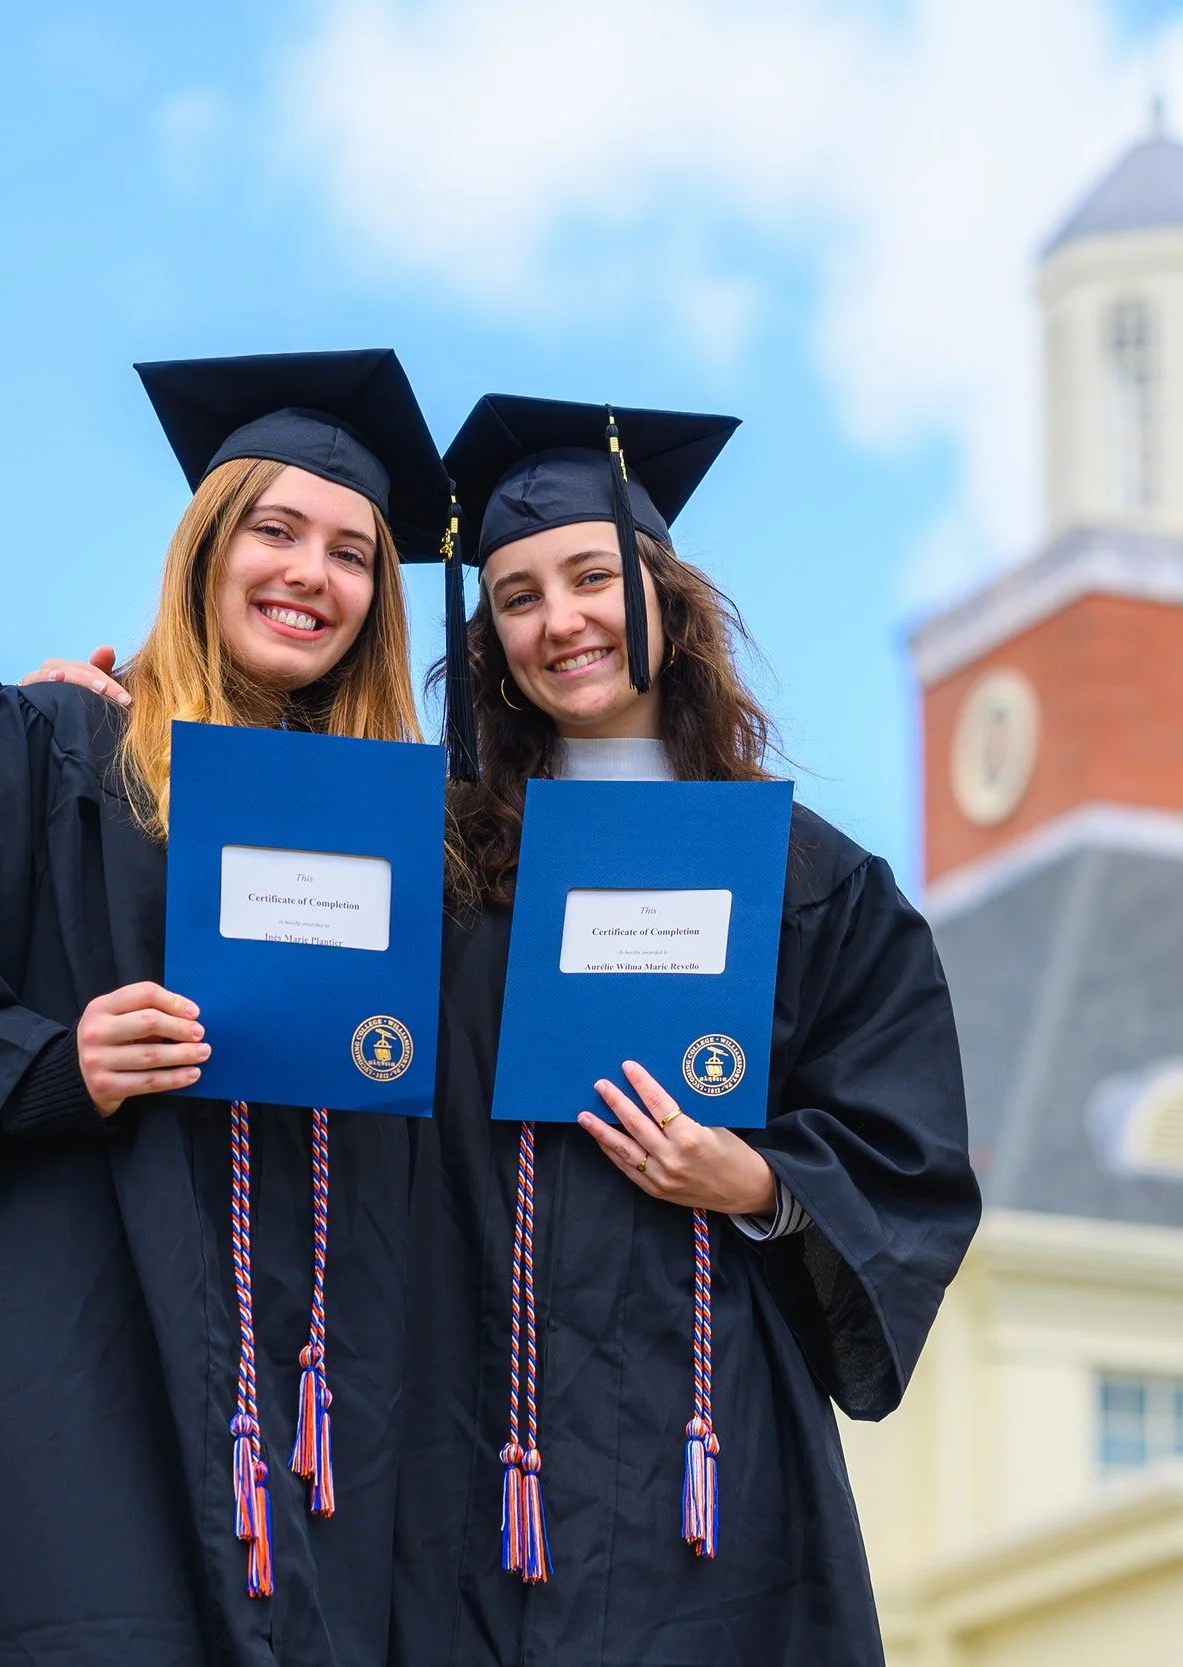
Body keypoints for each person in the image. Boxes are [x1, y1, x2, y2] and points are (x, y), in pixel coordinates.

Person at [0, 349, 452, 1667]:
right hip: (77, 1351)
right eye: (274, 528)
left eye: (350, 553)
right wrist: (55, 1060)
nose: (309, 575)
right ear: (204, 549)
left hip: (320, 1387)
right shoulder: (40, 747)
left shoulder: (392, 841)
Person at [407, 394, 978, 1666]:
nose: (561, 621)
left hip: (708, 1452)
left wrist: (762, 1182)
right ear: (489, 638)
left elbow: (909, 1154)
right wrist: (101, 720)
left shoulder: (809, 882)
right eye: (515, 595)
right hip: (470, 1437)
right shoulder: (439, 872)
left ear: (665, 593)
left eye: (591, 576)